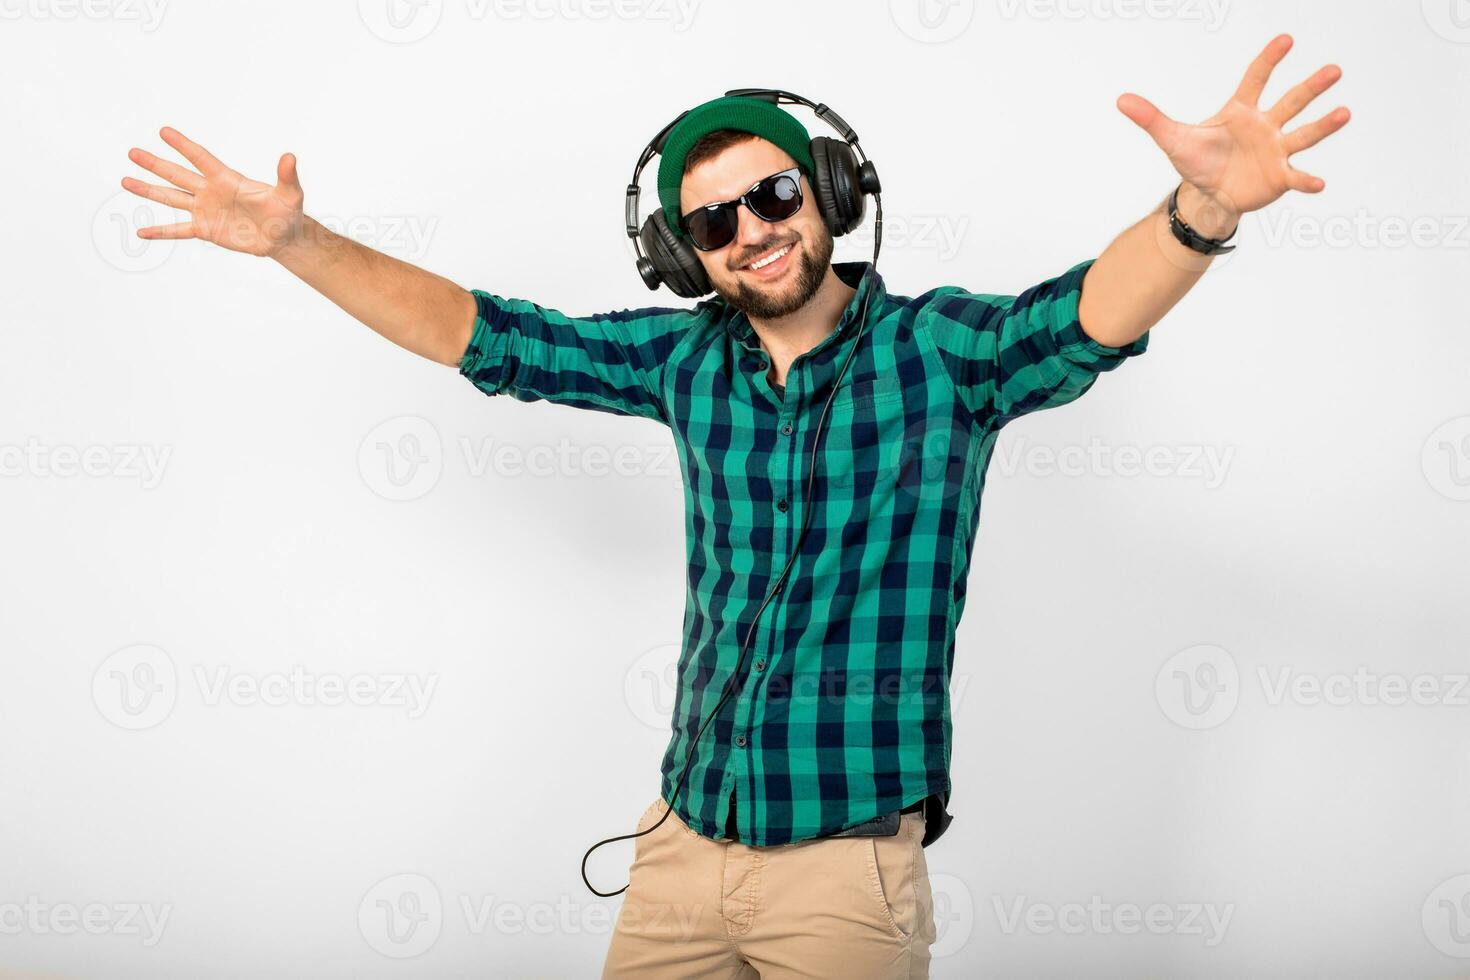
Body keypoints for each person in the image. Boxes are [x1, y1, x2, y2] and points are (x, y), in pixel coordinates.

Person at [119, 34, 1347, 980]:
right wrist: (300, 242)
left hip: (844, 871)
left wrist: (1204, 213)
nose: (752, 231)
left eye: (772, 195)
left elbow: (1084, 313)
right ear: (684, 255)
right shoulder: (683, 362)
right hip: (678, 845)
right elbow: (480, 332)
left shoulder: (942, 353)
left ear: (827, 191)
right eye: (714, 221)